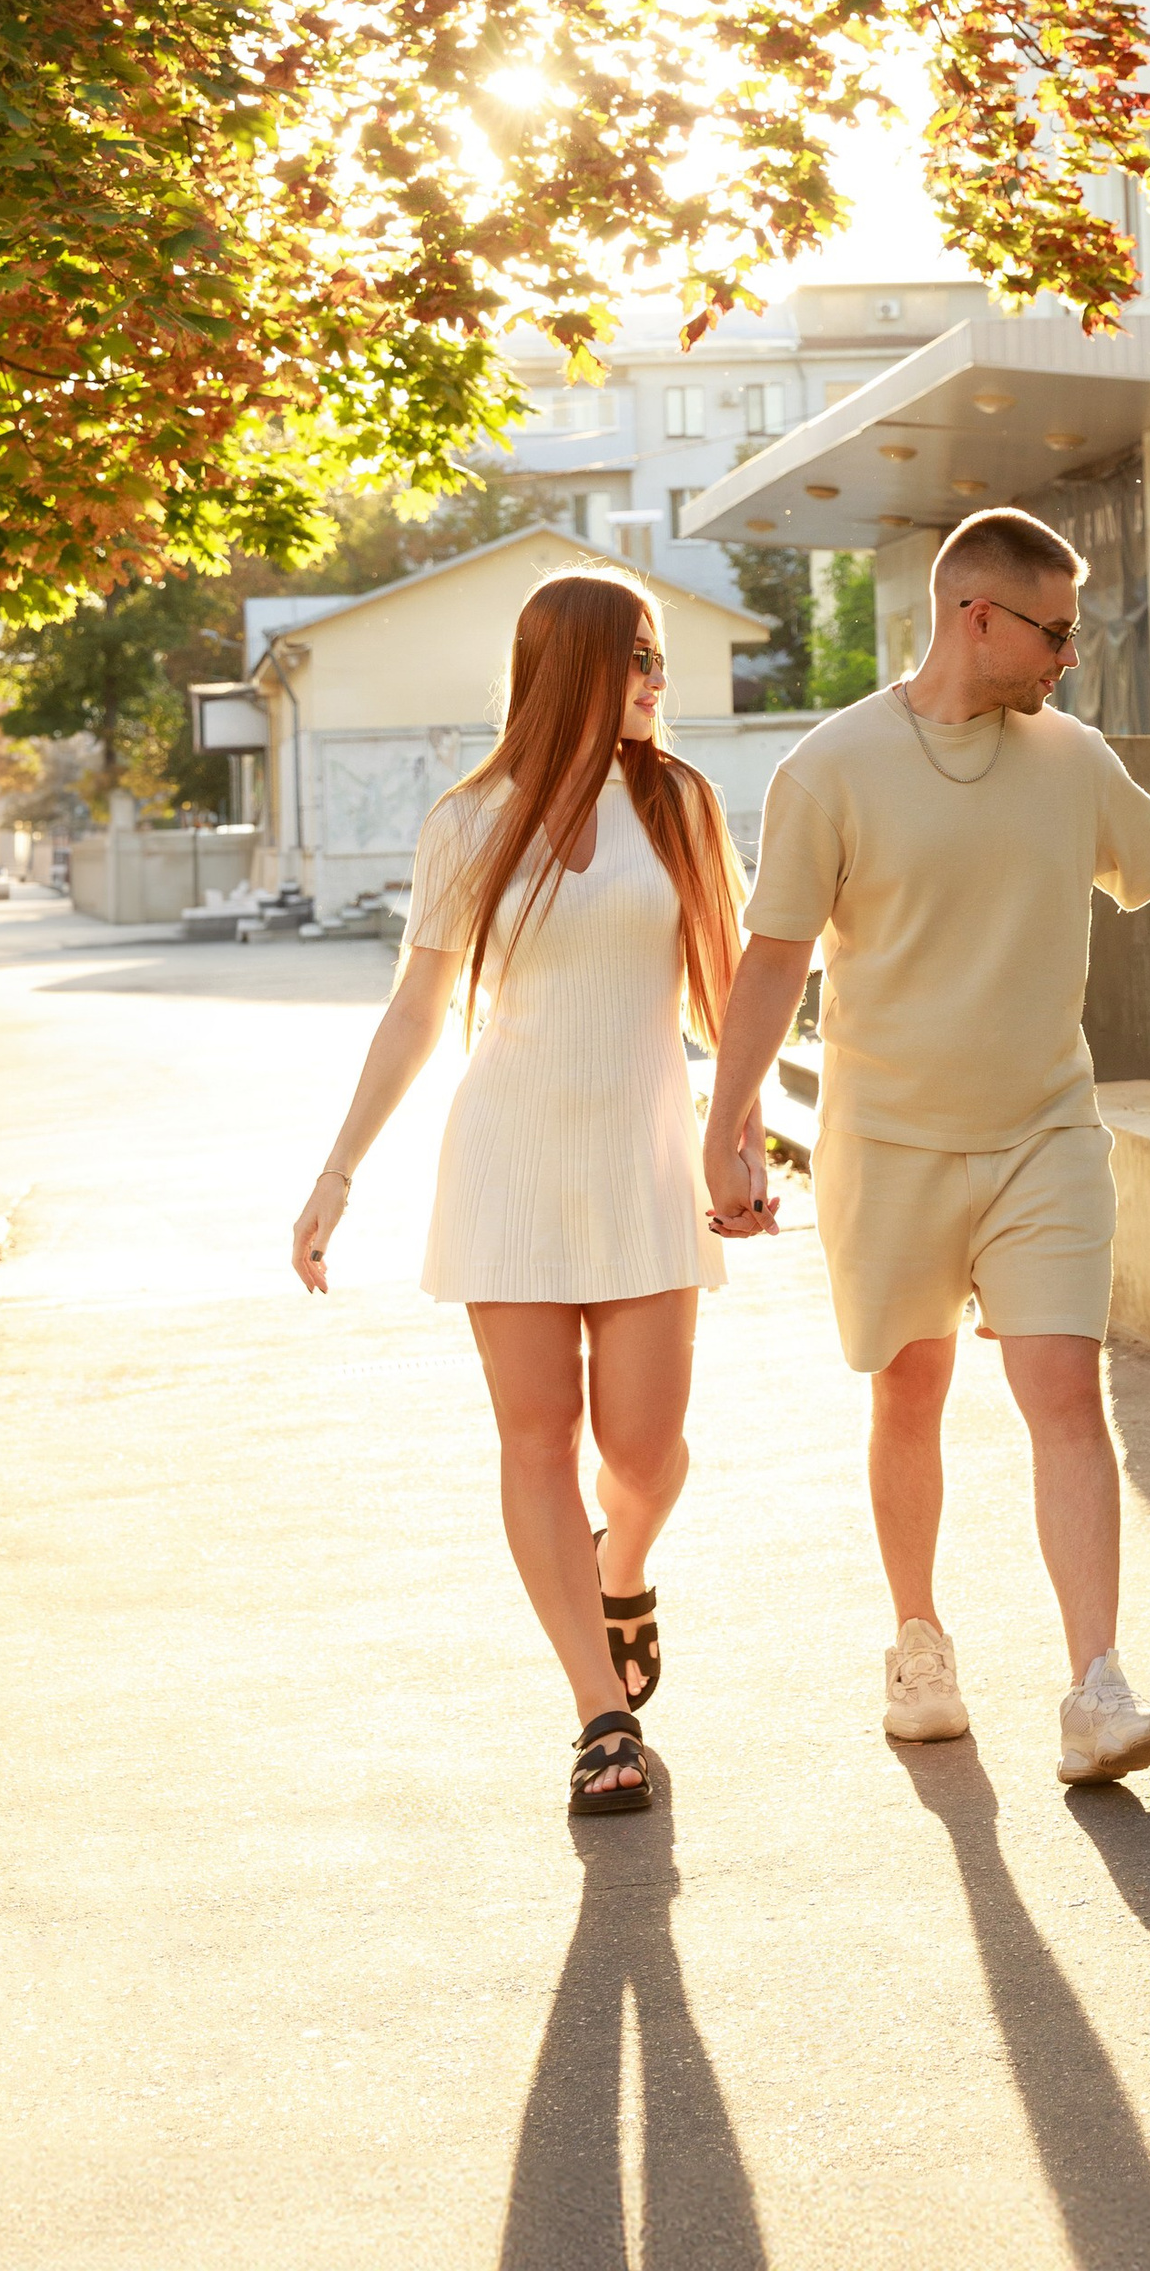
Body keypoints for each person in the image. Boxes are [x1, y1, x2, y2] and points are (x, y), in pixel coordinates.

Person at [701, 506, 1150, 1785]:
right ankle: (918, 1644)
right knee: (908, 1392)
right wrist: (727, 1126)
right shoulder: (830, 767)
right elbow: (775, 956)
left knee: (1065, 1394)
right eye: (1055, 630)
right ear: (979, 617)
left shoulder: (1070, 762)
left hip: (1042, 1135)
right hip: (890, 1141)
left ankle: (1097, 1689)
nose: (1069, 655)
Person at [293, 568, 770, 1817]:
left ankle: (625, 1566)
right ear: (572, 668)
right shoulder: (470, 819)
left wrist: (742, 1142)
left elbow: (730, 995)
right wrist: (338, 1171)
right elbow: (417, 1005)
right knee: (535, 1437)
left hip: (644, 1163)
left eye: (661, 661)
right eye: (641, 660)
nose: (660, 683)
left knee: (644, 1450)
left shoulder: (679, 806)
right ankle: (597, 1717)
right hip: (506, 1158)